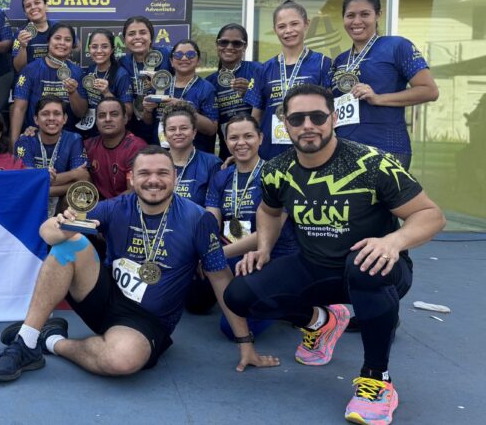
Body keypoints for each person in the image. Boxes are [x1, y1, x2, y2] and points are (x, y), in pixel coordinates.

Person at [224, 84, 445, 425]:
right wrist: (264, 248)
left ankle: (376, 379)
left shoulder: (372, 163)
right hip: (315, 268)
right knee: (239, 295)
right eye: (297, 118)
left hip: (378, 269)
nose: (308, 125)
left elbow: (430, 215)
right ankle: (322, 322)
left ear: (334, 118)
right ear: (285, 123)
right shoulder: (277, 169)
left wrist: (393, 241)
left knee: (362, 265)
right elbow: (269, 211)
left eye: (317, 116)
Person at [0, 145, 278, 382]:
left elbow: (221, 279)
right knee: (69, 245)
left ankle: (50, 341)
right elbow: (47, 233)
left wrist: (245, 341)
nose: (154, 180)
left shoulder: (197, 219)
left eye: (163, 172)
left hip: (147, 322)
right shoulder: (115, 207)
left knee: (122, 360)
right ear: (132, 178)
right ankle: (25, 341)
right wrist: (61, 223)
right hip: (105, 299)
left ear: (174, 177)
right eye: (145, 173)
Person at [195, 113, 298, 336]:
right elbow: (211, 219)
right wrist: (204, 250)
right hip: (233, 253)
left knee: (232, 329)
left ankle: (289, 301)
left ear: (261, 138)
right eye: (233, 138)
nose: (240, 143)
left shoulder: (278, 174)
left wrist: (215, 255)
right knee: (196, 299)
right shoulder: (222, 177)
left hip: (271, 255)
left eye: (248, 136)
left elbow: (268, 233)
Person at [330, 0, 439, 168]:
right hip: (344, 152)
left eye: (365, 14)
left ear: (378, 15)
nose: (357, 21)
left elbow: (429, 90)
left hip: (386, 149)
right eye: (350, 15)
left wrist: (379, 98)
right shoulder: (340, 60)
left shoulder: (397, 46)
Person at [245, 0, 332, 161]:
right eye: (282, 26)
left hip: (311, 151)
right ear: (275, 30)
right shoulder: (263, 69)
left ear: (306, 24)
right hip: (270, 152)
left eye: (294, 24)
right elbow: (255, 117)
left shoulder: (323, 64)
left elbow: (330, 113)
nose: (288, 31)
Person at [10, 23, 88, 146]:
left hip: (67, 142)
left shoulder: (78, 73)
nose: (62, 43)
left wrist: (73, 93)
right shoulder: (30, 70)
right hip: (34, 136)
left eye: (67, 40)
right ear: (48, 41)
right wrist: (13, 143)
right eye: (57, 38)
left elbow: (81, 113)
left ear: (72, 45)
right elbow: (19, 108)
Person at [14, 96, 89, 216]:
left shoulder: (74, 139)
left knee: (77, 194)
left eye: (57, 114)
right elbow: (29, 181)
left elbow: (84, 179)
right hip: (30, 203)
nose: (51, 118)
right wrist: (73, 174)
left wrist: (41, 183)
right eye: (45, 114)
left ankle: (66, 233)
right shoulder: (25, 141)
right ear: (36, 119)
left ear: (64, 119)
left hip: (61, 205)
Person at [143, 39, 218, 152]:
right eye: (178, 55)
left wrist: (183, 106)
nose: (184, 58)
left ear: (198, 61)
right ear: (171, 61)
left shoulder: (206, 89)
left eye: (190, 54)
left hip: (194, 155)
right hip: (161, 154)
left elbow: (211, 129)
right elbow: (148, 122)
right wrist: (147, 110)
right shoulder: (160, 84)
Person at [206, 24, 264, 159]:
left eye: (236, 43)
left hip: (258, 150)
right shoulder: (209, 82)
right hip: (228, 153)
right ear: (217, 44)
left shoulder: (258, 69)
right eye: (224, 42)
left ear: (245, 47)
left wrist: (249, 93)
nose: (229, 47)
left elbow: (269, 104)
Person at [119, 16, 173, 145]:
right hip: (136, 125)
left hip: (167, 121)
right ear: (125, 40)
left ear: (151, 37)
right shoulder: (122, 63)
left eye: (143, 32)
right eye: (131, 34)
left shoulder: (167, 55)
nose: (137, 37)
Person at [84, 98, 148, 200]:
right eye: (102, 116)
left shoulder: (136, 147)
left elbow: (132, 192)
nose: (107, 119)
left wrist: (102, 208)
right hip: (96, 206)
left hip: (125, 209)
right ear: (96, 121)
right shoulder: (88, 145)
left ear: (125, 118)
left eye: (114, 114)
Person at [161, 102, 221, 206]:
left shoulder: (211, 163)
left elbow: (213, 208)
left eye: (184, 128)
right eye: (172, 129)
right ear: (165, 135)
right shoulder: (156, 163)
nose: (178, 133)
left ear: (194, 132)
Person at [77, 29, 133, 137]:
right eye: (94, 46)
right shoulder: (89, 70)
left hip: (113, 133)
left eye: (104, 46)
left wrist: (107, 93)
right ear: (89, 49)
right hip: (90, 133)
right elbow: (82, 108)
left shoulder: (121, 75)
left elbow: (129, 113)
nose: (99, 51)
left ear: (112, 50)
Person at [12, 0, 72, 72]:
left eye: (37, 3)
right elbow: (19, 68)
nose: (33, 7)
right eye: (28, 6)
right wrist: (23, 46)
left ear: (46, 6)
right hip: (30, 80)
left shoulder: (59, 28)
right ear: (25, 13)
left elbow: (76, 47)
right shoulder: (20, 33)